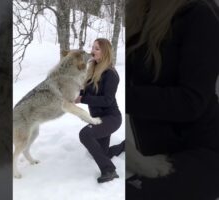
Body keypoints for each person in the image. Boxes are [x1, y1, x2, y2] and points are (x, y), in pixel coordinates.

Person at [126, 0, 219, 199]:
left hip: (199, 151)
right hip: (149, 150)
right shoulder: (139, 11)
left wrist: (126, 98)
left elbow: (191, 100)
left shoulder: (201, 13)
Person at [75, 38, 122, 183]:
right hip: (98, 118)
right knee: (103, 152)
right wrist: (78, 94)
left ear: (105, 52)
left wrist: (83, 100)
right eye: (93, 47)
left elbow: (107, 100)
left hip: (111, 118)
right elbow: (85, 89)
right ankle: (126, 146)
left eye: (97, 48)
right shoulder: (92, 69)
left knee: (85, 134)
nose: (92, 51)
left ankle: (109, 170)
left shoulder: (111, 74)